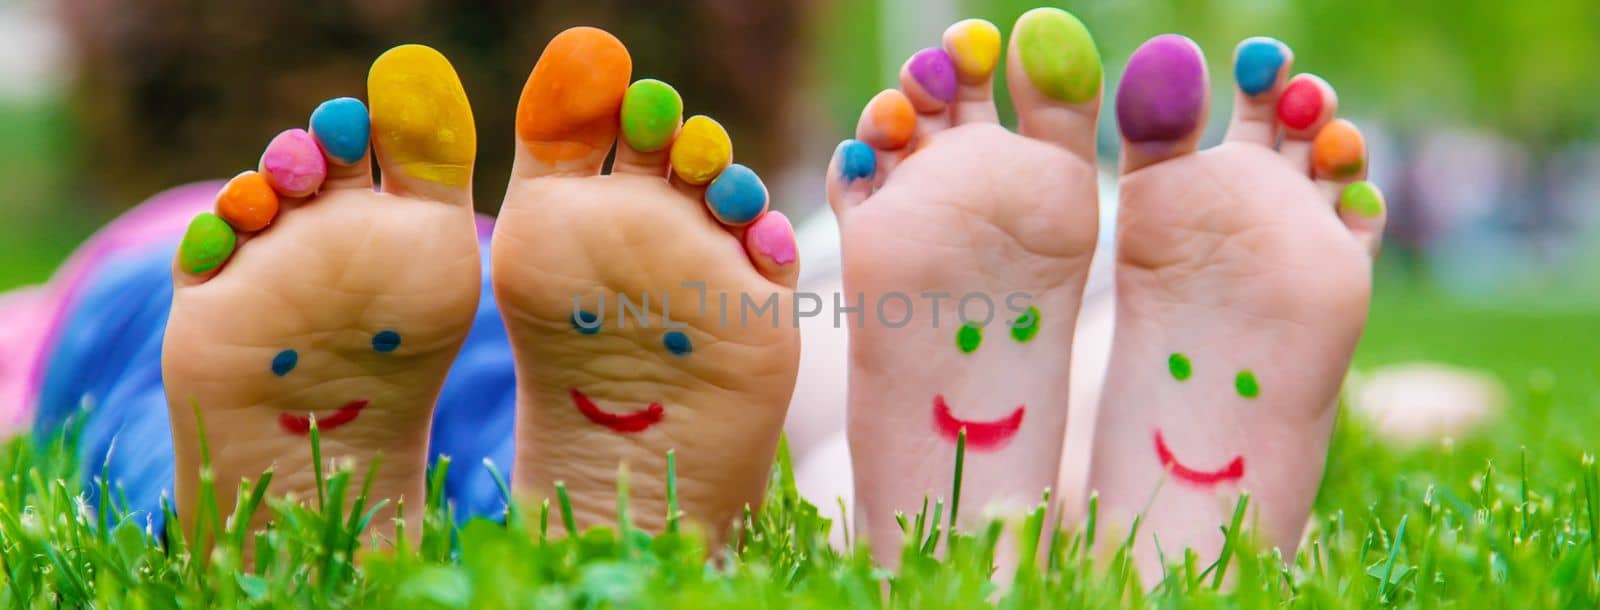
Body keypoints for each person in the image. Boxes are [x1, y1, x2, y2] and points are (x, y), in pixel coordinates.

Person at [5, 9, 1386, 579]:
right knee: (818, 372)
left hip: (243, 294)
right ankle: (1041, 499)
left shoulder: (231, 244)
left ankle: (273, 515)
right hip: (588, 328)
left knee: (132, 372)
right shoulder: (603, 237)